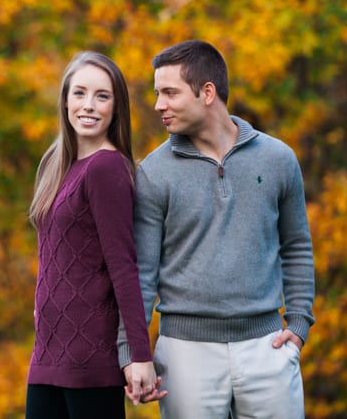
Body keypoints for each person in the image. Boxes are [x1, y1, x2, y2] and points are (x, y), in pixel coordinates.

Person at [118, 40, 315, 418]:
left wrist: (300, 321)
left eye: (170, 93)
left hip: (268, 347)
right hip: (185, 353)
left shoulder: (278, 159)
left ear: (207, 92)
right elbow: (140, 271)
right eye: (158, 93)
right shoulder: (154, 173)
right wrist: (132, 353)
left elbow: (296, 247)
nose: (159, 104)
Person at [26, 51, 166, 419]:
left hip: (91, 355)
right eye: (79, 93)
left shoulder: (105, 168)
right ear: (65, 100)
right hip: (48, 350)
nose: (88, 105)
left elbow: (123, 265)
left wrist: (139, 355)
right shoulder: (57, 164)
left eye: (102, 96)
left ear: (116, 108)